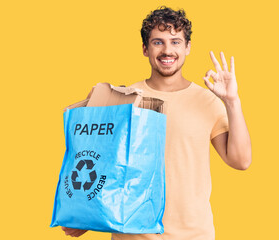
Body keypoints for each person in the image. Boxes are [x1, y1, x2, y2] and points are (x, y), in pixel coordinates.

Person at [61, 6, 252, 240]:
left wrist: (232, 101)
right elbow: (99, 164)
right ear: (145, 48)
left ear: (188, 47)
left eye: (175, 41)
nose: (167, 50)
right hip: (132, 235)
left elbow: (241, 160)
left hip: (193, 236)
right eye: (158, 42)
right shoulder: (123, 98)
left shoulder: (208, 101)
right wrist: (85, 215)